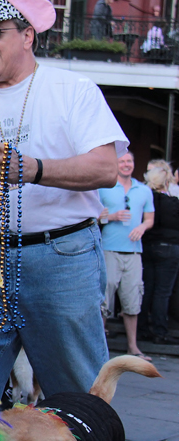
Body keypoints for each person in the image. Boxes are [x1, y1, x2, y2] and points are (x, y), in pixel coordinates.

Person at [0, 0, 128, 397]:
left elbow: (106, 168)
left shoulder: (73, 89)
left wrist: (34, 169)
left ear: (27, 36)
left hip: (61, 260)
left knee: (77, 394)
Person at [98, 152, 154, 361]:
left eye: (129, 160)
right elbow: (93, 215)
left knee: (132, 299)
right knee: (104, 299)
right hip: (109, 249)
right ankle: (99, 348)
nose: (126, 164)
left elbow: (150, 218)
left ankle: (133, 347)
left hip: (134, 251)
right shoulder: (104, 187)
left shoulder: (144, 190)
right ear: (116, 164)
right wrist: (112, 216)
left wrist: (142, 227)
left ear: (133, 164)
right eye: (122, 161)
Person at [139, 161, 179, 346]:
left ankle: (142, 329)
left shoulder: (146, 200)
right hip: (169, 248)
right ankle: (160, 331)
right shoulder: (172, 202)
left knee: (147, 289)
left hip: (148, 247)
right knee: (163, 292)